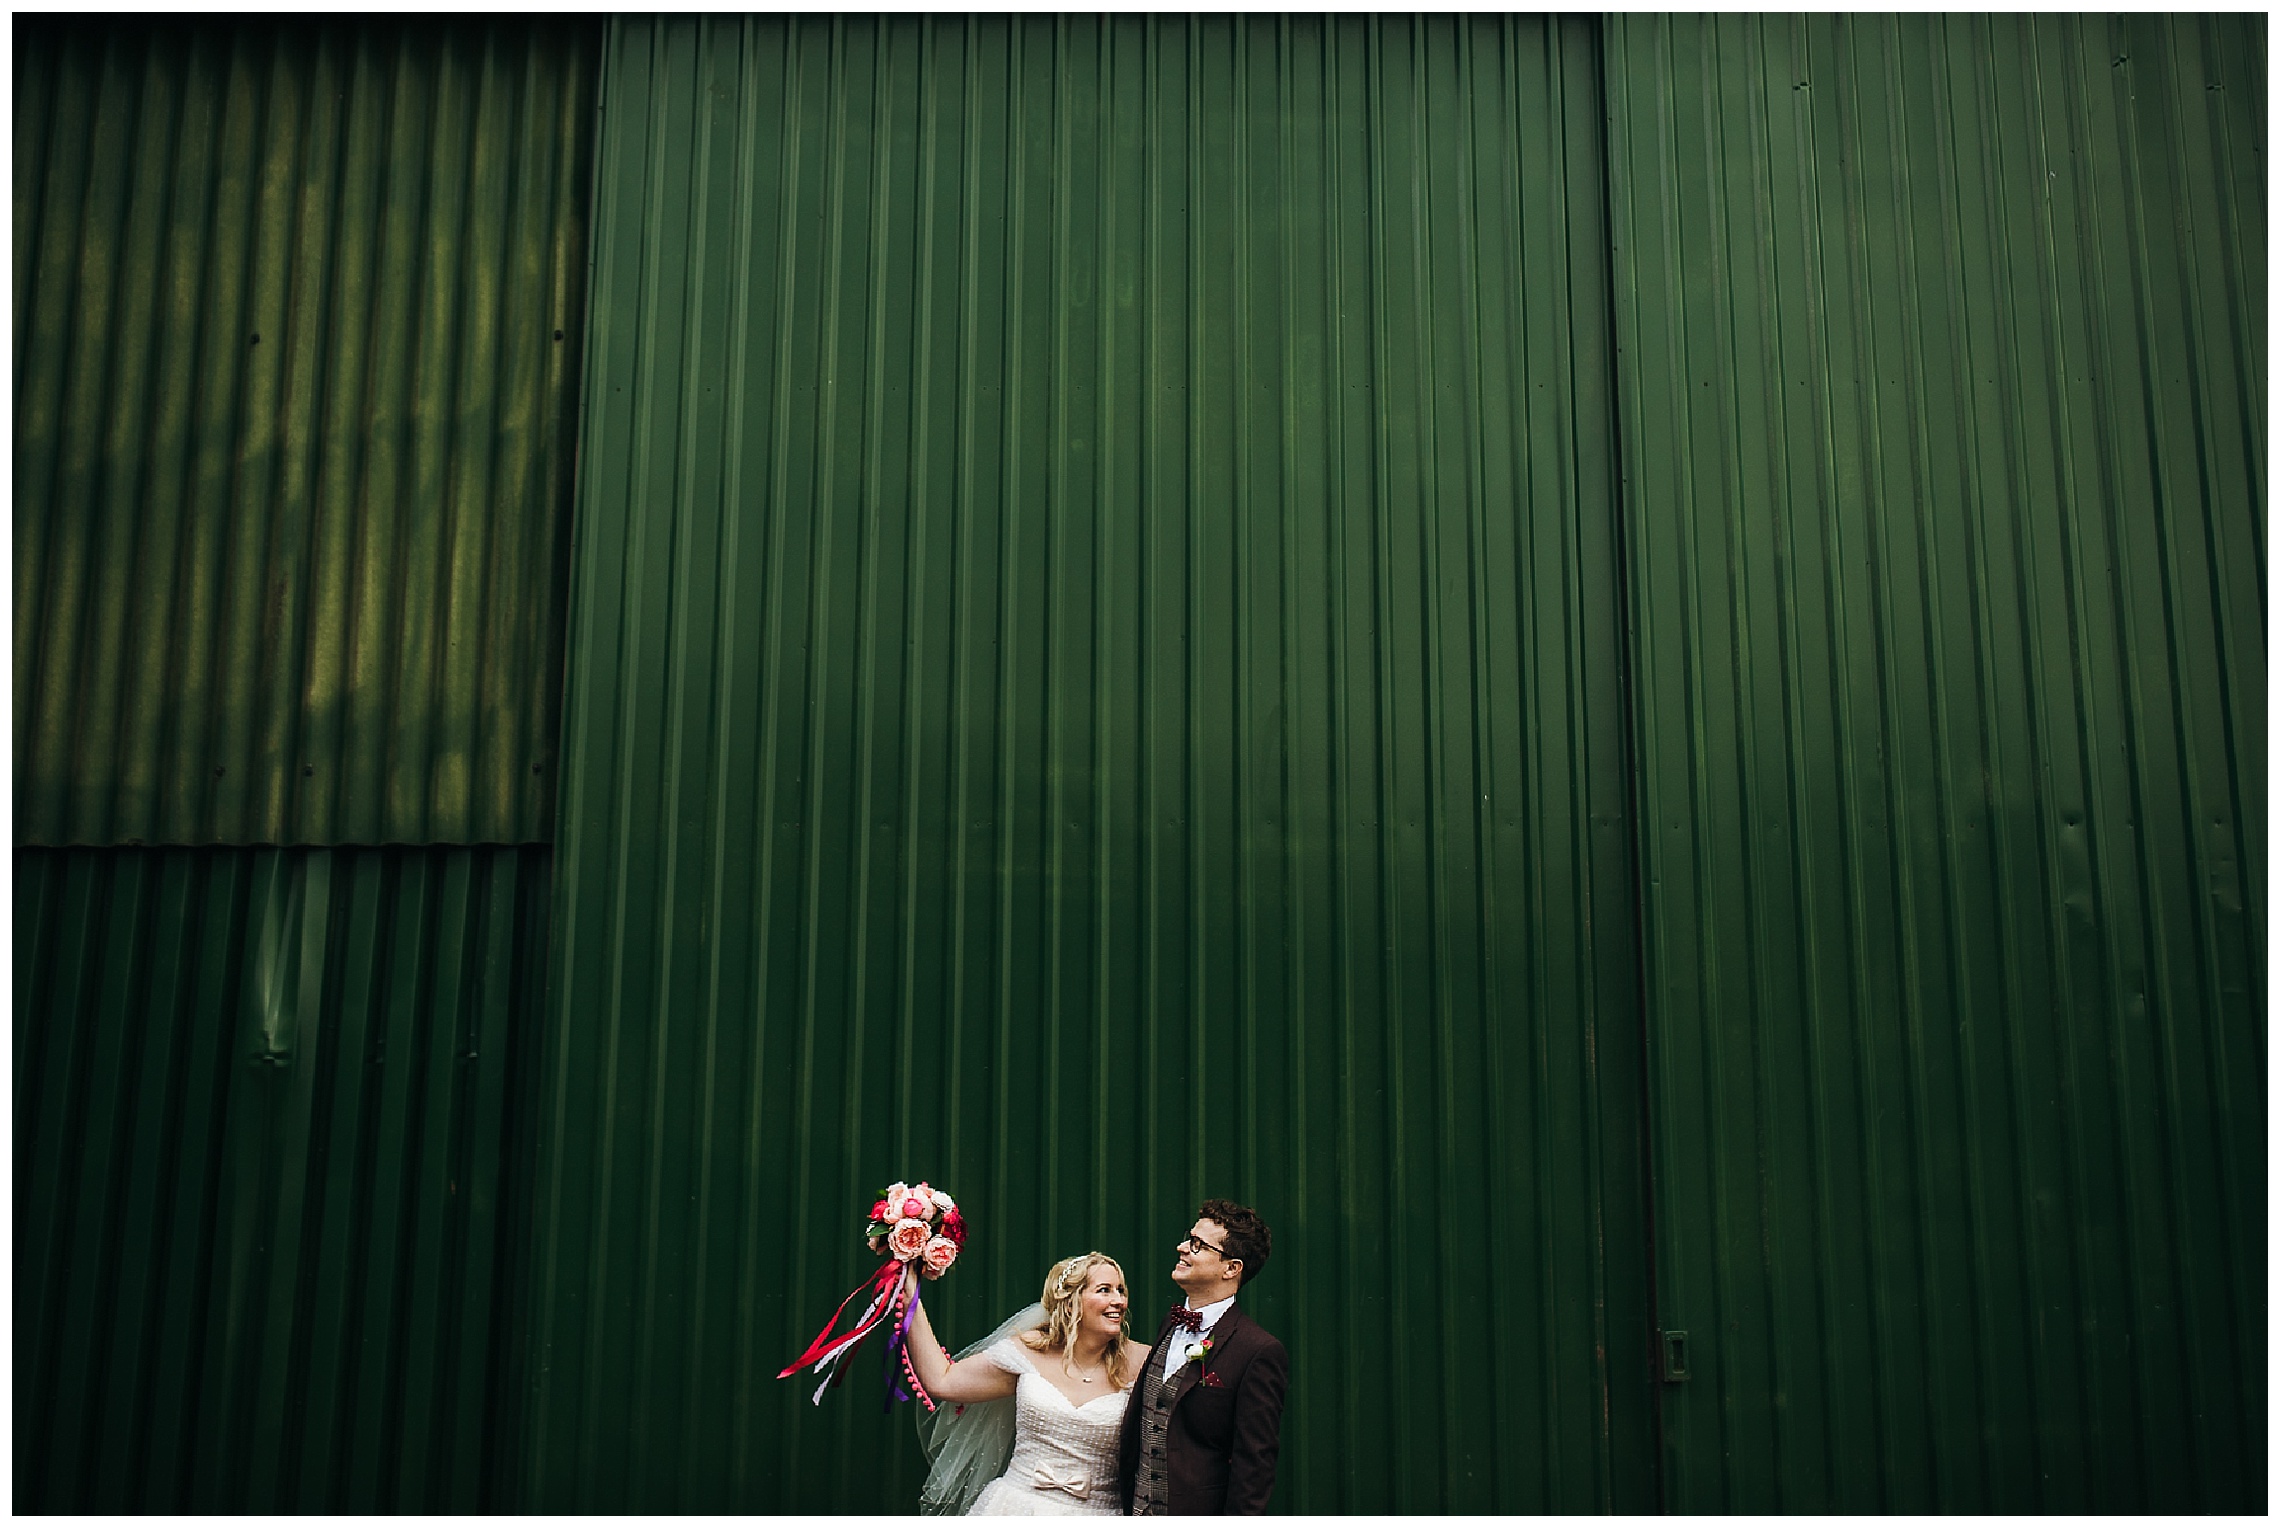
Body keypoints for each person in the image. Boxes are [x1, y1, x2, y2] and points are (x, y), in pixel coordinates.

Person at [906, 1252, 1150, 1515]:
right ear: (1070, 1303)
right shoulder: (1028, 1351)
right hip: (1015, 1508)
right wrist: (909, 1294)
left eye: (1120, 1291)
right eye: (1105, 1290)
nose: (1119, 1301)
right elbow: (944, 1380)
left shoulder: (1144, 1361)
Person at [1116, 1200, 1287, 1515]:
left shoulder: (1258, 1351)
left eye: (1197, 1245)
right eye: (1188, 1238)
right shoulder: (1170, 1324)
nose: (1182, 1247)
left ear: (1231, 1268)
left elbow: (1255, 1467)